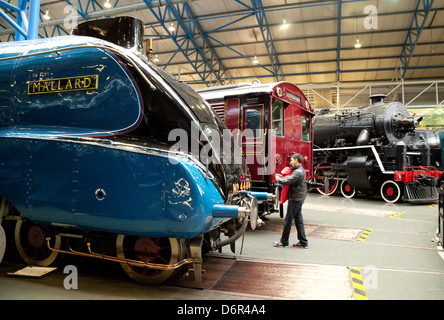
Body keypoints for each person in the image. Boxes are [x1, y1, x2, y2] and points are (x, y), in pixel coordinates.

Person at [273, 153, 309, 249]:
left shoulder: (298, 172)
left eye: (292, 160)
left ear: (296, 160)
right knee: (298, 220)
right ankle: (303, 242)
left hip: (295, 199)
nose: (290, 162)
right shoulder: (299, 170)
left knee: (288, 220)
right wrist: (282, 176)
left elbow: (286, 182)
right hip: (299, 198)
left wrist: (277, 178)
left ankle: (283, 242)